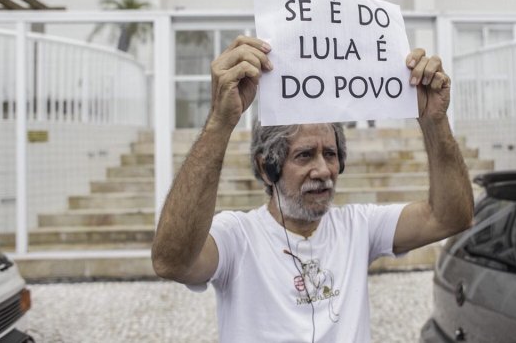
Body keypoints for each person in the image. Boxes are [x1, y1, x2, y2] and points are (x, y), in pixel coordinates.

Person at [152, 36, 474, 342]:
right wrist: (220, 123)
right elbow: (172, 261)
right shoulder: (238, 237)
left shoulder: (358, 227)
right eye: (304, 155)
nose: (322, 170)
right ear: (268, 168)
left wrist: (434, 121)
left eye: (330, 154)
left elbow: (449, 217)